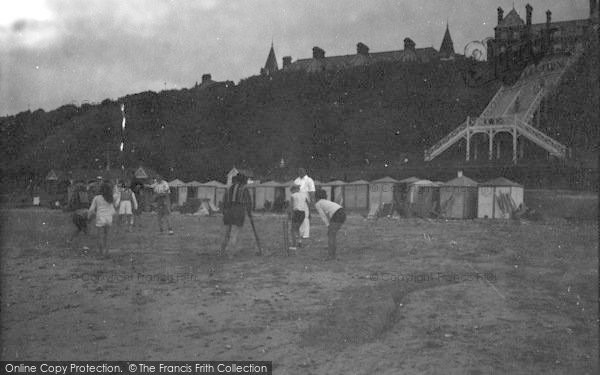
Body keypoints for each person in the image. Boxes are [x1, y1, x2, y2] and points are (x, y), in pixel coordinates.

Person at [219, 173, 253, 259]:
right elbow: (248, 202)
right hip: (238, 210)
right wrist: (249, 213)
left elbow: (223, 201)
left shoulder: (229, 188)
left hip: (228, 210)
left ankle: (222, 252)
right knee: (235, 233)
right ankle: (231, 254)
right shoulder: (244, 189)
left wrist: (224, 211)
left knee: (227, 233)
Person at [314, 188, 346, 261]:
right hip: (342, 213)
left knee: (331, 235)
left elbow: (323, 216)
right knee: (331, 235)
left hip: (337, 214)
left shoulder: (318, 204)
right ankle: (332, 254)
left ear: (316, 197)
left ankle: (331, 256)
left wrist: (328, 225)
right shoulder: (326, 201)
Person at [88, 181, 118, 257]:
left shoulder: (97, 198)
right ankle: (106, 252)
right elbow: (117, 195)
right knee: (107, 236)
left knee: (100, 236)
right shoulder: (111, 198)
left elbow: (91, 209)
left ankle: (101, 252)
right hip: (109, 218)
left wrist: (89, 217)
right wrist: (115, 187)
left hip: (100, 218)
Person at [293, 168, 315, 240]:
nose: (300, 172)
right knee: (297, 217)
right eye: (299, 171)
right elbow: (293, 191)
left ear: (305, 172)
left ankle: (305, 234)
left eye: (302, 171)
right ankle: (299, 233)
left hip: (306, 201)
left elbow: (312, 191)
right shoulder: (296, 180)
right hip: (297, 201)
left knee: (305, 217)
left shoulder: (309, 180)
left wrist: (312, 201)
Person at [288, 184, 309, 251]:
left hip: (296, 213)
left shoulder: (293, 196)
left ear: (293, 190)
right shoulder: (304, 195)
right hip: (303, 213)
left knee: (292, 229)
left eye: (291, 191)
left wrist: (290, 215)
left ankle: (293, 245)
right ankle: (299, 242)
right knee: (297, 228)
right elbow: (308, 204)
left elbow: (291, 206)